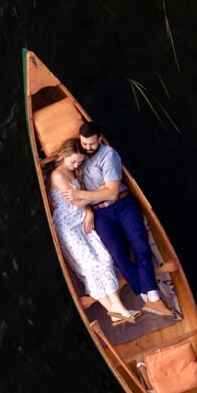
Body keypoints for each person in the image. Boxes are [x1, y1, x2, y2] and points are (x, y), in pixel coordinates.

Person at [61, 121, 174, 318]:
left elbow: (112, 193)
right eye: (84, 143)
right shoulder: (80, 156)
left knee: (139, 245)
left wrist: (82, 195)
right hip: (101, 214)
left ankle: (154, 297)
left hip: (122, 205)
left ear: (101, 139)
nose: (87, 148)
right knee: (117, 254)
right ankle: (149, 297)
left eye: (92, 144)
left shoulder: (109, 155)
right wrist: (87, 204)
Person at [46, 138, 141, 326]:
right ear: (63, 156)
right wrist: (88, 208)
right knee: (90, 266)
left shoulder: (75, 170)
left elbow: (81, 199)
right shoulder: (57, 175)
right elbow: (76, 200)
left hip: (82, 218)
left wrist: (88, 211)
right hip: (68, 225)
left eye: (80, 162)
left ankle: (117, 310)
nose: (76, 166)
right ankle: (116, 310)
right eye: (73, 161)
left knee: (104, 259)